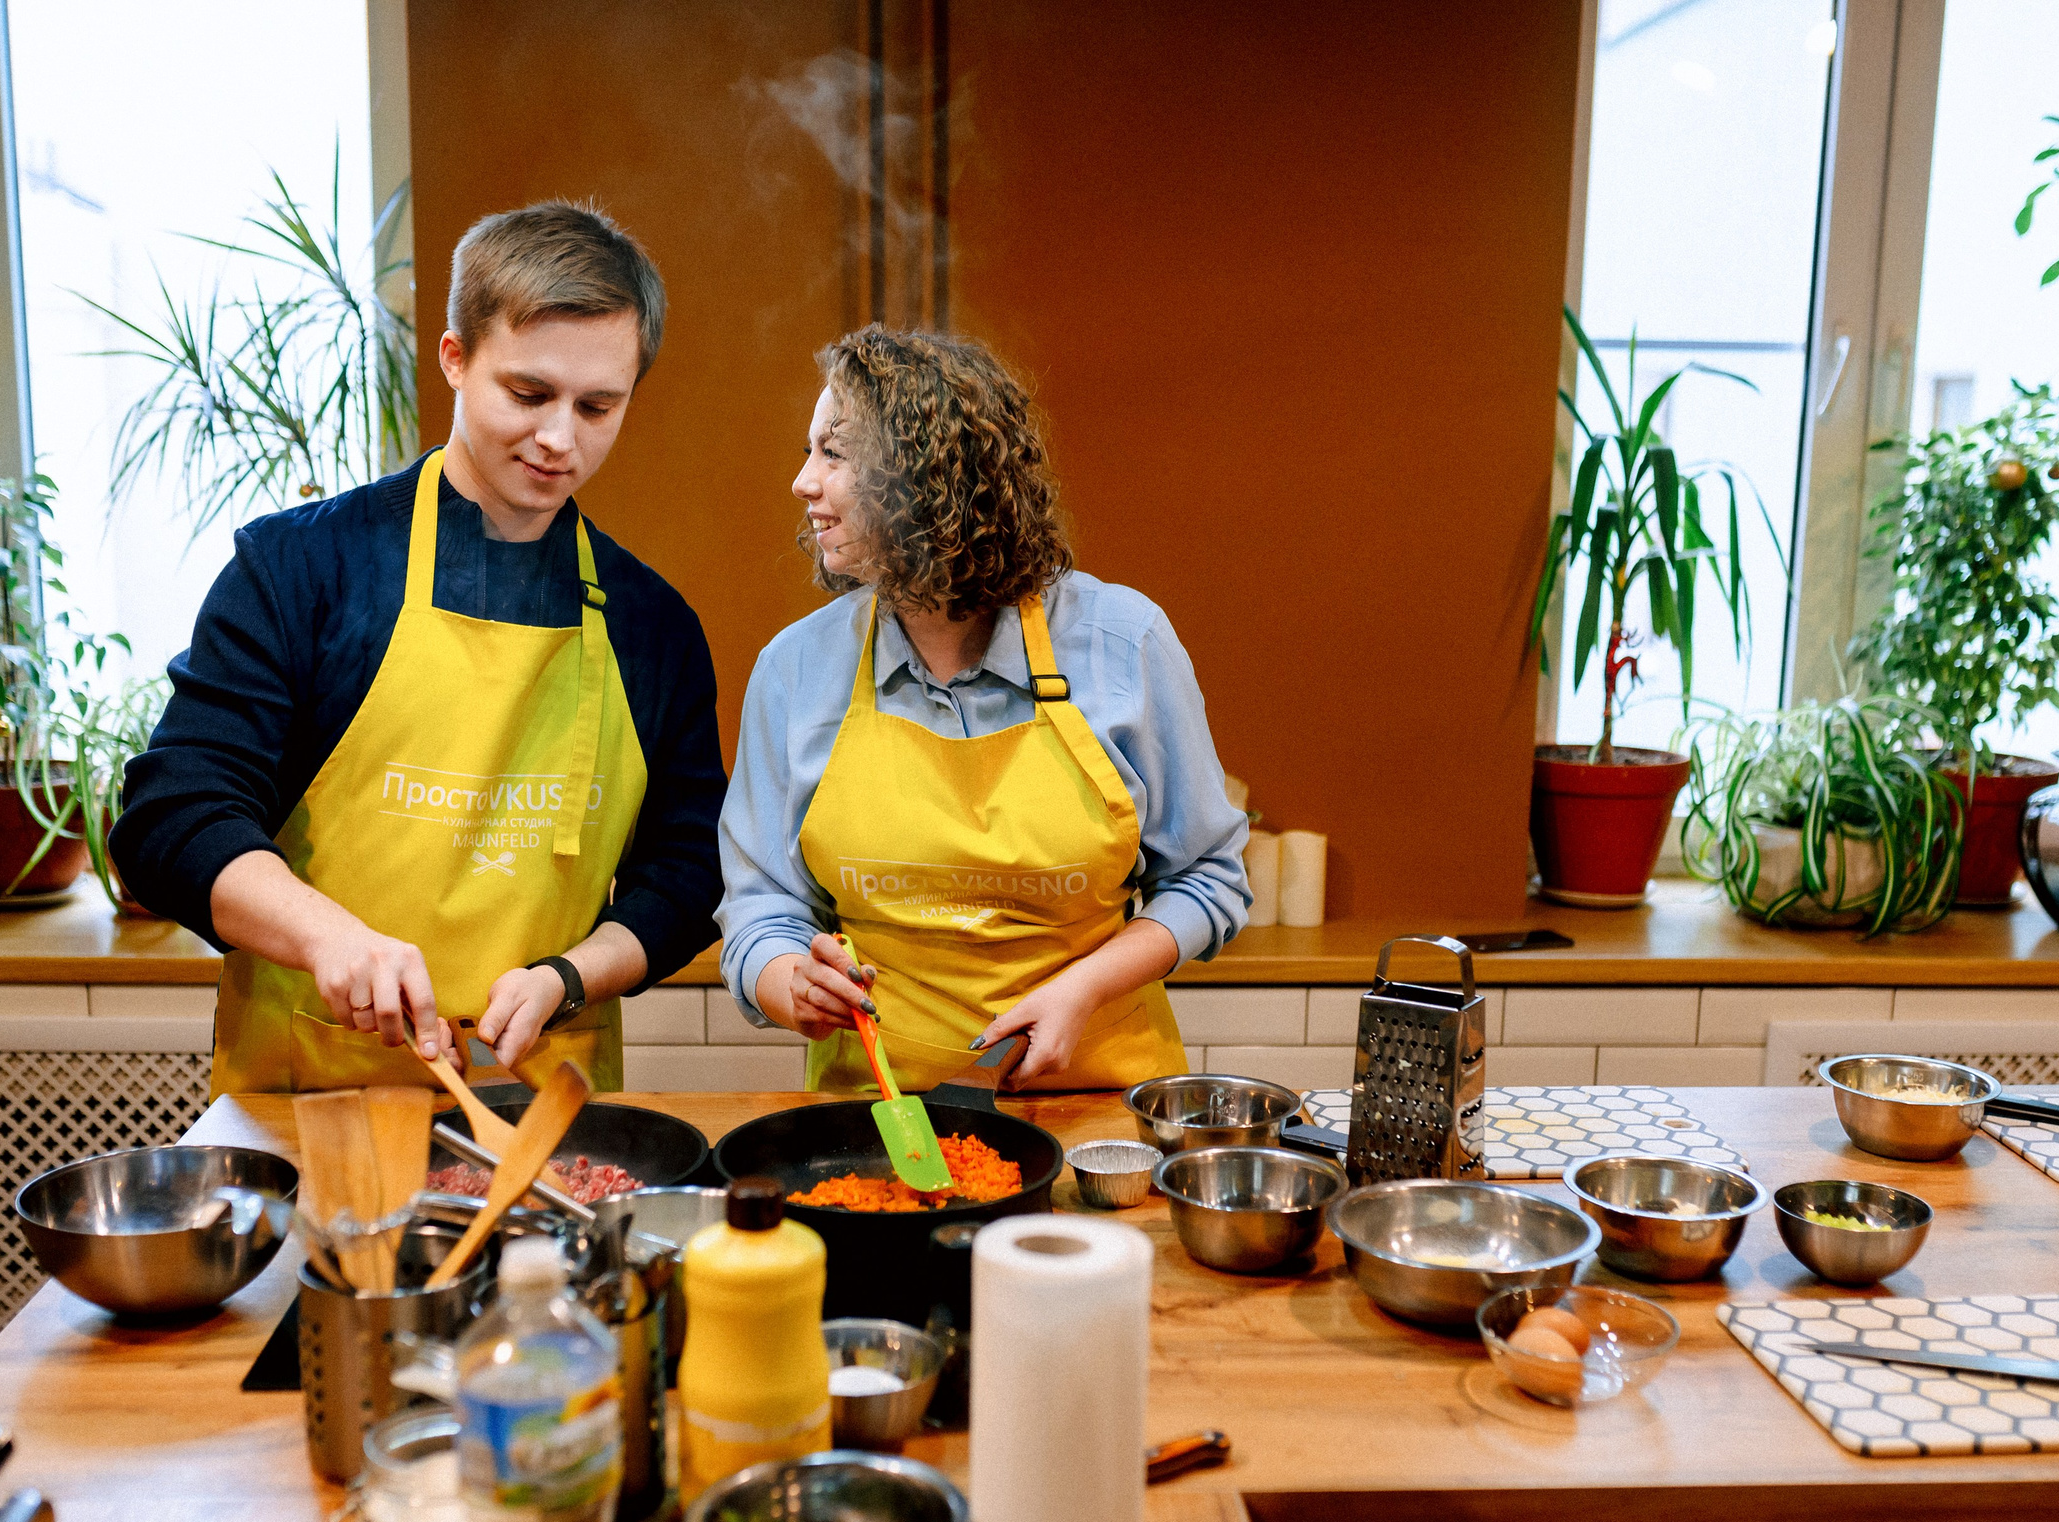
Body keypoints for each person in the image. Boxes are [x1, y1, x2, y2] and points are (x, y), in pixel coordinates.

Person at [114, 201, 726, 1094]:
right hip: (312, 1093)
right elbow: (172, 817)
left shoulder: (651, 624)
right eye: (528, 394)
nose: (561, 438)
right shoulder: (303, 568)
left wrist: (569, 976)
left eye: (598, 405)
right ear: (454, 357)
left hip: (546, 1108)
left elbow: (686, 869)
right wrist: (332, 938)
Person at [716, 325, 1248, 1092]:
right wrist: (788, 979)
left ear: (926, 479)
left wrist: (1085, 987)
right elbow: (761, 905)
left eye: (834, 453)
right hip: (876, 1125)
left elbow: (1209, 877)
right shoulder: (795, 669)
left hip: (1094, 1114)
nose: (804, 482)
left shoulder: (1122, 642)